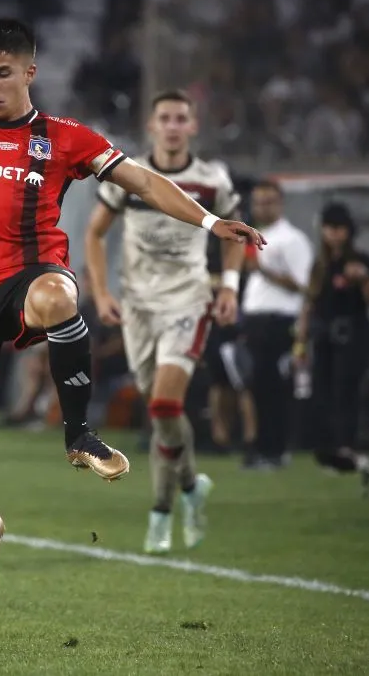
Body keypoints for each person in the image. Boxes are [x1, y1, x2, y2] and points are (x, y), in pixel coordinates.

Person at [0, 14, 264, 606]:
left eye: (2, 73)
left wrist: (210, 223)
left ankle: (79, 433)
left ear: (30, 71)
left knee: (58, 296)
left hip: (30, 276)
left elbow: (146, 182)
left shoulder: (62, 136)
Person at [85, 89, 250, 555]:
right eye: (165, 118)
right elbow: (95, 234)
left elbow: (234, 233)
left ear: (192, 126)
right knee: (160, 413)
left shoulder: (211, 179)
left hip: (187, 302)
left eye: (182, 118)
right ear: (152, 125)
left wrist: (230, 288)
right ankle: (192, 486)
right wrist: (100, 292)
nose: (174, 126)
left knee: (162, 406)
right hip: (138, 308)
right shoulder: (130, 175)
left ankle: (160, 511)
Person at [294, 202, 369, 477]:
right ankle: (328, 451)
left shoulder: (363, 262)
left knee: (347, 394)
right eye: (329, 228)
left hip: (353, 335)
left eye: (339, 229)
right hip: (324, 336)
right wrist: (301, 341)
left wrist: (364, 279)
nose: (334, 234)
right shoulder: (320, 265)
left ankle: (348, 448)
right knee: (322, 395)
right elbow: (309, 303)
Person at [241, 181, 313, 468]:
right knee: (257, 388)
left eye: (269, 202)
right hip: (256, 322)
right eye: (258, 202)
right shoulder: (255, 236)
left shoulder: (291, 239)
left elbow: (303, 286)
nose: (262, 208)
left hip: (279, 322)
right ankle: (261, 448)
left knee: (275, 390)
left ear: (280, 203)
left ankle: (277, 450)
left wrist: (264, 271)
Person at [202, 234, 257, 463]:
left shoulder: (241, 256)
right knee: (219, 385)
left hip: (236, 332)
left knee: (242, 385)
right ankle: (221, 437)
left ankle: (249, 437)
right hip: (214, 331)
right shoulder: (207, 258)